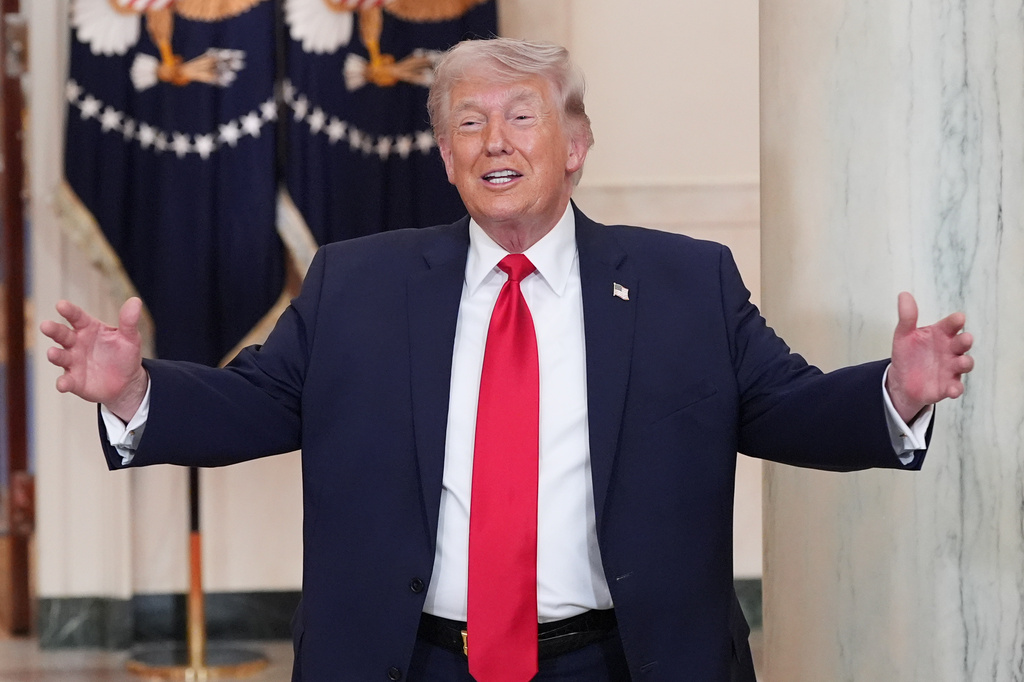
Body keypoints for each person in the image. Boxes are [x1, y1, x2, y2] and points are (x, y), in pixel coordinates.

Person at [41, 38, 974, 682]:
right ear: (445, 156)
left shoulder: (685, 281)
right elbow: (255, 404)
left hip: (623, 659)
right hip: (412, 659)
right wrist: (136, 390)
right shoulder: (354, 285)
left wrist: (893, 392)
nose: (496, 142)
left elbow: (784, 407)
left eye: (521, 118)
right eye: (469, 123)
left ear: (575, 145)